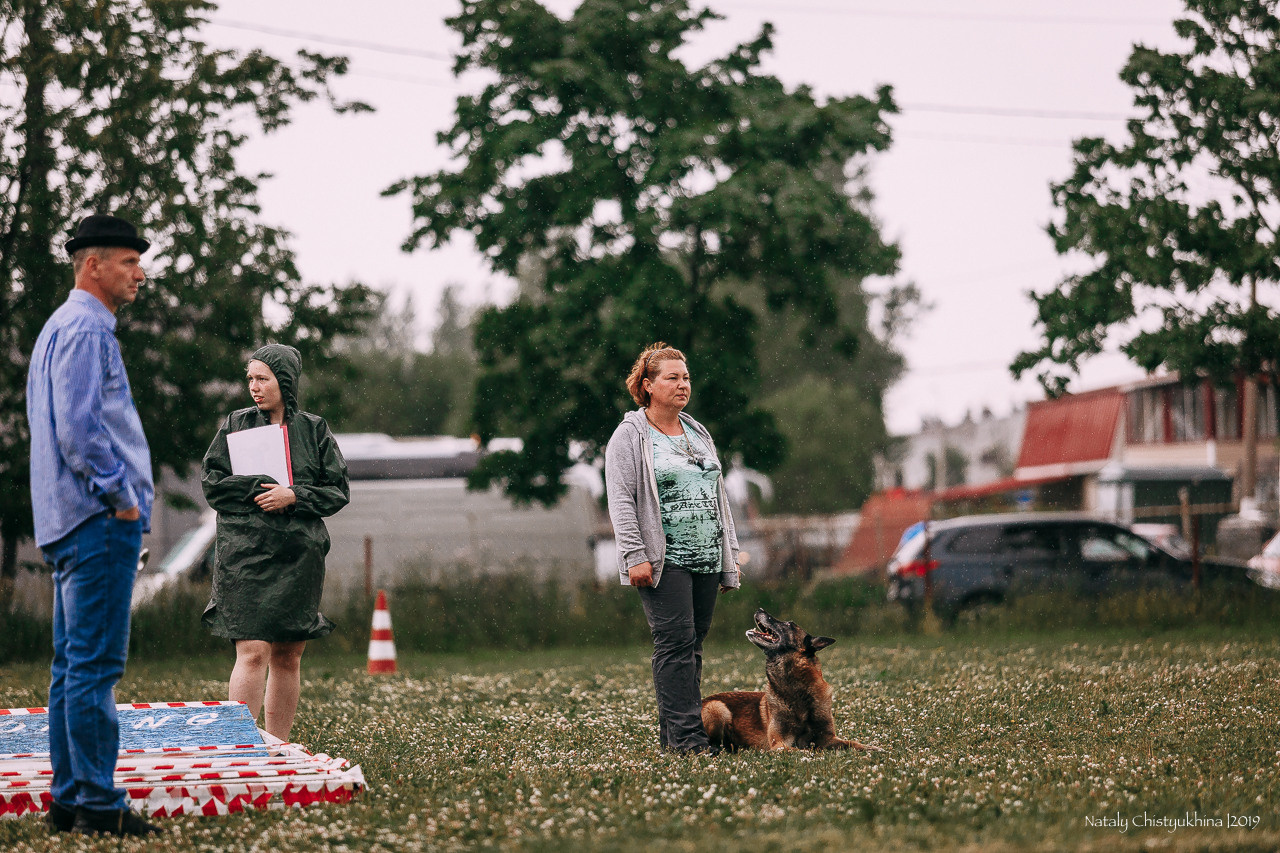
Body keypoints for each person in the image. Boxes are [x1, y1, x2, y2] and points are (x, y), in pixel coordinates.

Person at [26, 213, 162, 837]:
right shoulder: (87, 331)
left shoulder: (59, 327)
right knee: (95, 668)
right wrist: (123, 500)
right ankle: (100, 807)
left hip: (65, 519)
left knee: (70, 666)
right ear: (92, 265)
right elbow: (80, 433)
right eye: (129, 261)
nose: (140, 272)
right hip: (97, 518)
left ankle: (70, 801)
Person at [200, 343, 349, 742]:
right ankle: (243, 747)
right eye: (250, 378)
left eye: (262, 378)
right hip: (246, 556)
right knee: (252, 652)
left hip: (299, 556)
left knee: (288, 654)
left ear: (285, 381)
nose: (254, 386)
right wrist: (262, 487)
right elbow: (213, 486)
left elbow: (337, 490)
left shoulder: (314, 429)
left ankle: (278, 748)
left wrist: (294, 495)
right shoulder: (235, 424)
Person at [605, 342, 741, 755]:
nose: (683, 385)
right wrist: (634, 556)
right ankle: (686, 741)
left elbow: (719, 497)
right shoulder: (630, 436)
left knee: (693, 645)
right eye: (672, 377)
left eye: (686, 378)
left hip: (705, 555)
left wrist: (727, 557)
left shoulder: (698, 432)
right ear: (647, 385)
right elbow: (621, 499)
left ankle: (677, 736)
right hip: (664, 561)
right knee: (675, 643)